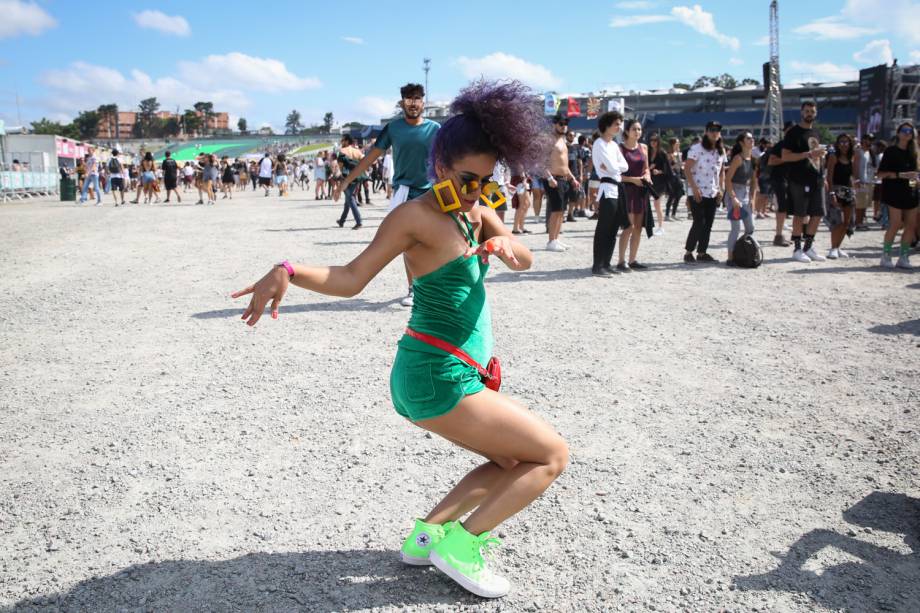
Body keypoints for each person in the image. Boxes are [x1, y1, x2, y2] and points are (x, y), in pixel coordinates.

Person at [231, 80, 566, 600]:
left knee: (508, 460)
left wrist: (504, 242)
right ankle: (460, 545)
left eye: (485, 179)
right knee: (550, 456)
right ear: (440, 167)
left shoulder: (476, 211)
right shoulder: (415, 218)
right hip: (436, 374)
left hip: (453, 371)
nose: (476, 189)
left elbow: (526, 258)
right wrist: (288, 269)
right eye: (465, 178)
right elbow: (350, 278)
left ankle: (426, 535)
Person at [334, 83, 440, 307]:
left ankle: (436, 289)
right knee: (409, 243)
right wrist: (346, 181)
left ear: (423, 102)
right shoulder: (393, 129)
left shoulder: (436, 129)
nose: (413, 103)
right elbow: (369, 159)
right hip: (405, 192)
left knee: (439, 239)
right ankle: (414, 289)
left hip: (432, 191)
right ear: (402, 102)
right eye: (408, 98)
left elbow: (451, 158)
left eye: (417, 98)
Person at [782, 101, 828, 263]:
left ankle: (808, 247)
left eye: (812, 112)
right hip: (799, 180)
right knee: (800, 215)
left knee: (817, 214)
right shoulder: (793, 132)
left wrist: (824, 175)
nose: (809, 114)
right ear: (802, 113)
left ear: (815, 114)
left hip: (817, 179)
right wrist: (808, 154)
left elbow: (817, 157)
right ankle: (797, 249)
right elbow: (785, 156)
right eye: (807, 111)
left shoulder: (815, 132)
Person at [590, 110, 629, 277]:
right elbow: (613, 168)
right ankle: (597, 265)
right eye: (616, 124)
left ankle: (607, 262)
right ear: (607, 126)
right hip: (607, 189)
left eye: (620, 124)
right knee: (603, 228)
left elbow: (624, 166)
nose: (619, 127)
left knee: (613, 228)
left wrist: (613, 167)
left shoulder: (614, 145)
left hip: (617, 188)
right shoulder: (599, 143)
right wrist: (613, 167)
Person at [877, 121, 919, 269]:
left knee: (911, 226)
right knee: (895, 224)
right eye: (904, 130)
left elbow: (914, 176)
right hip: (893, 193)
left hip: (911, 193)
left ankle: (903, 257)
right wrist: (901, 175)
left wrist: (915, 183)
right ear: (898, 133)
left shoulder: (914, 152)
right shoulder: (890, 151)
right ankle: (886, 255)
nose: (907, 133)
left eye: (910, 131)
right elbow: (881, 174)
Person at [683, 121, 727, 263]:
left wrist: (721, 189)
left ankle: (702, 252)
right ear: (706, 132)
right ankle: (689, 252)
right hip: (697, 191)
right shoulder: (697, 148)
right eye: (712, 130)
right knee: (699, 222)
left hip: (713, 192)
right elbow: (687, 169)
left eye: (718, 130)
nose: (715, 133)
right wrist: (694, 188)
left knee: (708, 223)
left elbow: (721, 172)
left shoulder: (721, 150)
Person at [616, 119, 652, 271]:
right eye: (634, 129)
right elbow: (615, 174)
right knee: (628, 226)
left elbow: (646, 168)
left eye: (639, 129)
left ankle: (632, 260)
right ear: (627, 131)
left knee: (638, 227)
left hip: (641, 190)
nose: (637, 132)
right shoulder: (619, 148)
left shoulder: (644, 147)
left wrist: (647, 176)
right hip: (626, 190)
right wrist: (633, 180)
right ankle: (621, 261)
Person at [543, 113, 579, 252]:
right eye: (561, 124)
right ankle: (551, 241)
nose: (564, 126)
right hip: (553, 179)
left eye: (565, 124)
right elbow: (541, 162)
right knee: (556, 210)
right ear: (554, 124)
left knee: (561, 211)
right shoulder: (548, 141)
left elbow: (565, 164)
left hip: (564, 179)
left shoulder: (563, 141)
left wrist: (572, 178)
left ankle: (556, 239)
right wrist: (549, 178)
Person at [725, 132, 757, 265]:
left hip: (745, 193)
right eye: (748, 138)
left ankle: (740, 246)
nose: (752, 140)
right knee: (736, 228)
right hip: (733, 193)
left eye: (752, 138)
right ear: (741, 143)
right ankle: (730, 257)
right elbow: (728, 180)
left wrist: (753, 198)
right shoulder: (737, 159)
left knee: (750, 228)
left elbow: (755, 181)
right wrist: (733, 198)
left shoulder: (754, 159)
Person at [824, 134, 856, 259]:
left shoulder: (851, 157)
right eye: (841, 142)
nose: (844, 144)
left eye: (847, 142)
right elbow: (829, 177)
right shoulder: (833, 157)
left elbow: (851, 176)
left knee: (847, 222)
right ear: (837, 144)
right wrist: (831, 193)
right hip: (836, 190)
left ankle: (838, 247)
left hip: (848, 191)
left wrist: (854, 190)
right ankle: (833, 248)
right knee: (838, 221)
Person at [768, 122, 795, 246]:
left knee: (794, 208)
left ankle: (795, 235)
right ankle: (778, 236)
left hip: (793, 179)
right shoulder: (781, 145)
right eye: (788, 130)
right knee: (782, 207)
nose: (790, 132)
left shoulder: (798, 145)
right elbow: (771, 161)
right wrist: (787, 158)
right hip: (779, 179)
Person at [335, 135, 364, 229]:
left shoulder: (342, 151)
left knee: (350, 198)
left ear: (347, 141)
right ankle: (342, 221)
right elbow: (364, 160)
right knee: (348, 199)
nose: (341, 142)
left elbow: (340, 165)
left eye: (342, 140)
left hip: (346, 177)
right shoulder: (357, 151)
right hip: (357, 176)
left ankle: (359, 221)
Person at [854, 133, 876, 229]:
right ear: (862, 140)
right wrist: (857, 179)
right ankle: (858, 223)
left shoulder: (869, 152)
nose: (869, 141)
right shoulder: (859, 152)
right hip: (861, 181)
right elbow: (855, 166)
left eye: (871, 139)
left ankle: (861, 222)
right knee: (860, 204)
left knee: (865, 204)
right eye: (867, 139)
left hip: (869, 181)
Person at [647, 132, 669, 232]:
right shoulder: (647, 152)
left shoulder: (662, 153)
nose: (653, 142)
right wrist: (649, 168)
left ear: (658, 141)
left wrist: (659, 171)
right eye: (651, 140)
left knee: (657, 204)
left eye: (655, 140)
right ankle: (646, 224)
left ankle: (660, 227)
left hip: (660, 182)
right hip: (648, 180)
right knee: (644, 203)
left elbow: (668, 169)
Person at [665, 137, 684, 220]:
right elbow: (666, 167)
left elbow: (680, 166)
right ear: (672, 144)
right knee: (672, 195)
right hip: (671, 177)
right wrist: (674, 166)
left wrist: (682, 165)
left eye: (678, 143)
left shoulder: (679, 154)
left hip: (678, 175)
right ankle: (667, 214)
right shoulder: (669, 155)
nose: (678, 145)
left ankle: (673, 214)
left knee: (679, 195)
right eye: (676, 143)